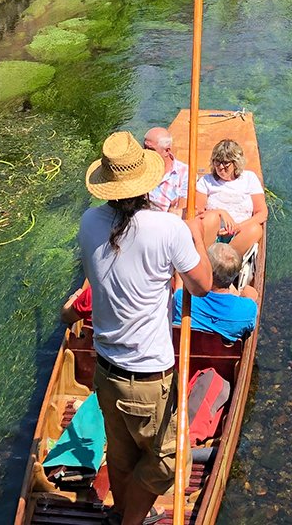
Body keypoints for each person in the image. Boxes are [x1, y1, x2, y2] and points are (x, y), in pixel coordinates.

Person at [76, 131, 212, 525]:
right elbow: (201, 285)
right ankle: (129, 520)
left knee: (120, 458)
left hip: (106, 371)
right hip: (148, 377)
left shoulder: (88, 222)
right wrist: (196, 236)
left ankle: (124, 510)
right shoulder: (166, 229)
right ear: (146, 181)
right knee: (172, 459)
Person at [195, 138, 267, 259]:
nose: (221, 167)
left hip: (240, 233)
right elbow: (198, 212)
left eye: (226, 163)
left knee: (256, 229)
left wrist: (238, 227)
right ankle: (207, 259)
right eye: (217, 163)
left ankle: (224, 261)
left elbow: (262, 213)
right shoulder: (206, 181)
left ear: (235, 163)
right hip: (214, 234)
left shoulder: (249, 178)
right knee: (209, 218)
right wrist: (220, 212)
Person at [172, 243, 259, 343]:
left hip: (182, 351)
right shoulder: (248, 310)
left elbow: (180, 277)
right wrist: (244, 296)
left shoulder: (182, 300)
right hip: (221, 356)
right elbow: (252, 296)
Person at [144, 126, 188, 214]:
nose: (146, 152)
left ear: (167, 151)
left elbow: (182, 209)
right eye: (145, 147)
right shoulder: (140, 168)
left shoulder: (184, 173)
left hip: (170, 219)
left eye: (151, 149)